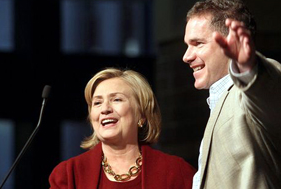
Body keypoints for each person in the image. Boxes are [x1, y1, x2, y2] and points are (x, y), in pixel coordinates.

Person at [182, 0, 281, 189]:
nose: (186, 56)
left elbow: (264, 88)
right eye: (187, 45)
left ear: (229, 42)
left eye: (198, 44)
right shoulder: (218, 99)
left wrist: (248, 66)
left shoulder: (257, 88)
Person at [49, 67, 196, 189]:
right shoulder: (68, 175)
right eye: (97, 103)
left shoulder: (176, 172)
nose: (105, 109)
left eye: (117, 99)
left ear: (142, 115)